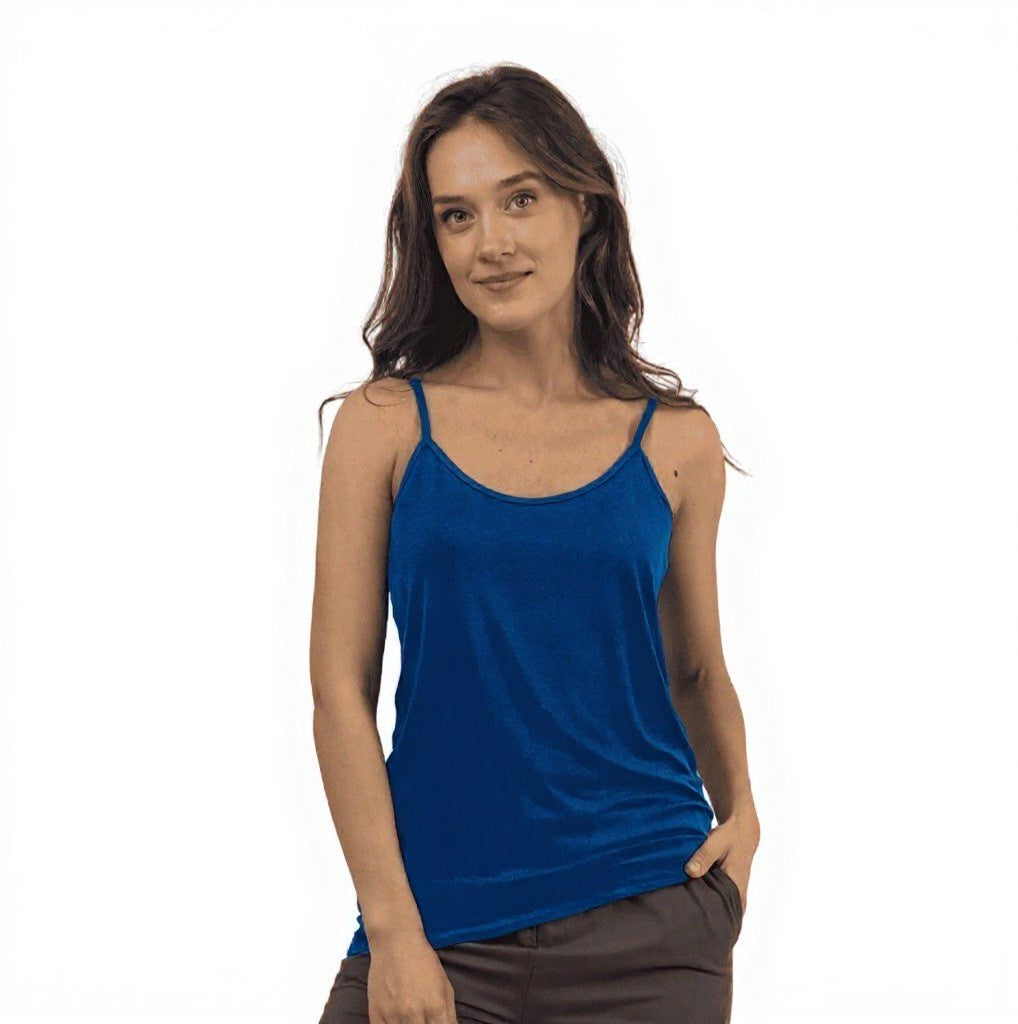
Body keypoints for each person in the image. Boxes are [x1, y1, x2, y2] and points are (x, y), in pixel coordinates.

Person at [310, 63, 760, 1024]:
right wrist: (392, 931)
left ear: (583, 207)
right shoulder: (384, 425)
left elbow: (694, 670)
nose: (492, 243)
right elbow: (340, 691)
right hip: (438, 924)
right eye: (457, 215)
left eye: (521, 199)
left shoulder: (677, 442)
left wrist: (745, 820)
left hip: (651, 922)